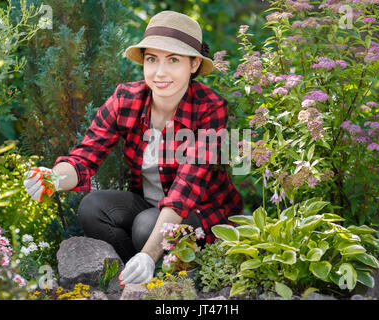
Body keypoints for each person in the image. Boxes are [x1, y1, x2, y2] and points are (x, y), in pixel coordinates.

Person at [23, 10, 243, 285]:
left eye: (173, 60)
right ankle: (132, 275)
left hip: (199, 214)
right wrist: (53, 178)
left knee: (146, 227)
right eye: (152, 59)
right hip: (148, 206)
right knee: (92, 207)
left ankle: (162, 271)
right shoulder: (127, 99)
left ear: (194, 64)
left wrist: (149, 254)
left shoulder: (210, 109)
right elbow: (85, 158)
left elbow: (185, 192)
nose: (160, 72)